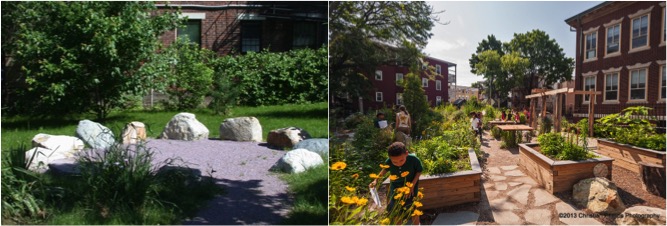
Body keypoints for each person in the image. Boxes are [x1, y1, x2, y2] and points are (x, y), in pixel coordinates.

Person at [369, 142, 423, 225]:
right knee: (396, 210)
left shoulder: (414, 160)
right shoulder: (389, 161)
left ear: (406, 154)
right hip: (395, 188)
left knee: (413, 208)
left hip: (410, 187)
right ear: (390, 158)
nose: (398, 163)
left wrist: (412, 185)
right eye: (395, 162)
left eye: (401, 160)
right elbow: (383, 171)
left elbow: (419, 171)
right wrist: (376, 180)